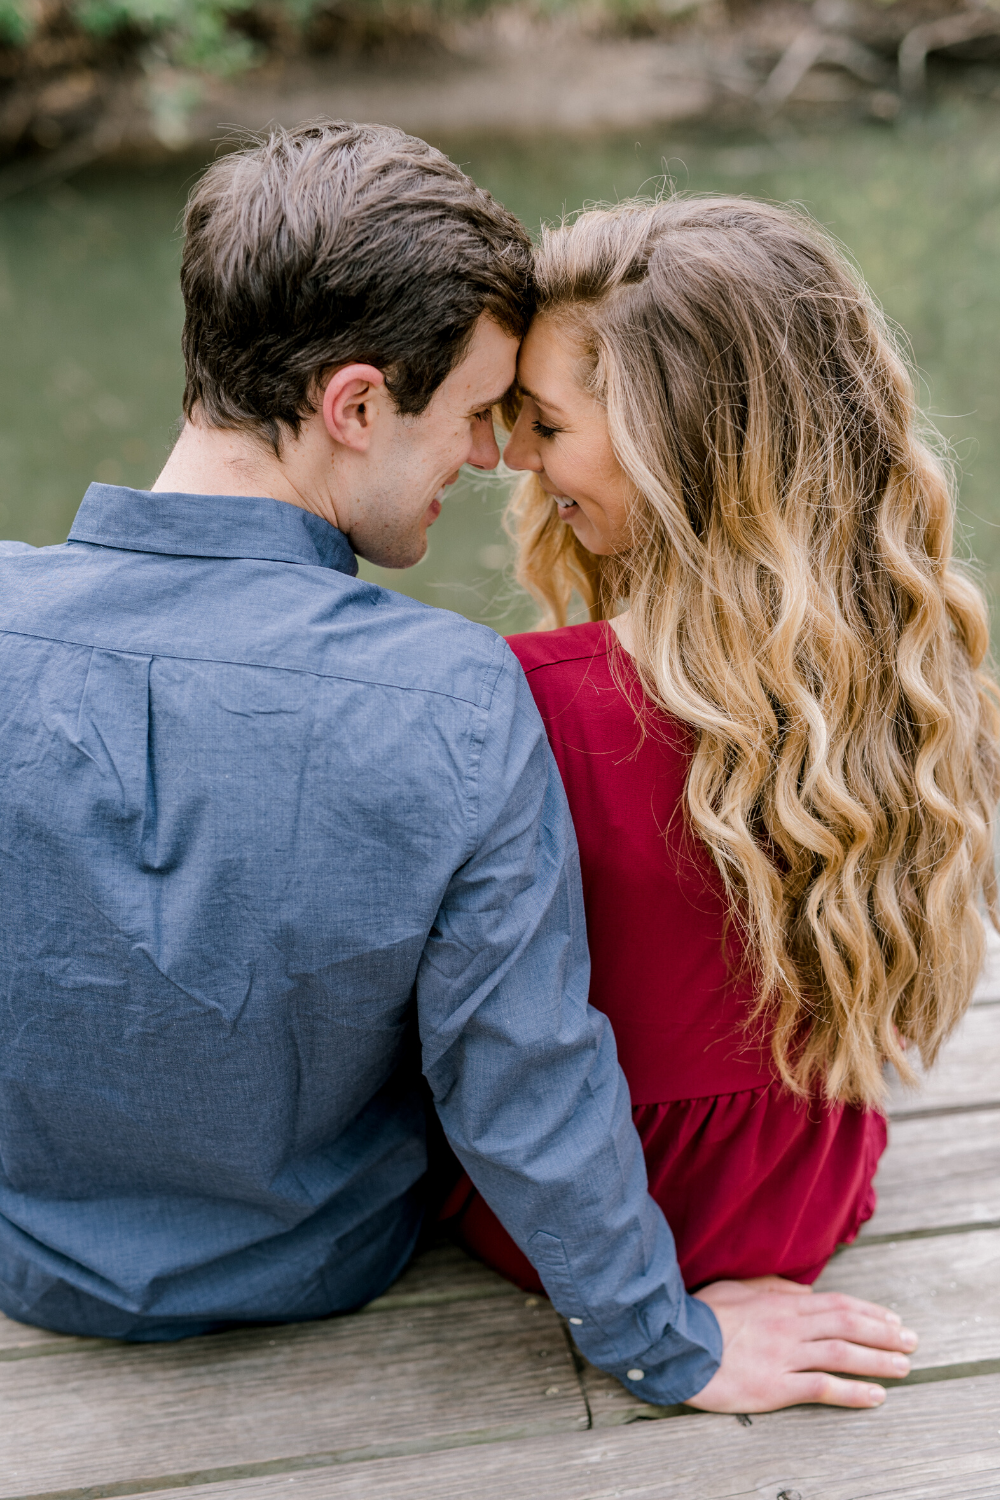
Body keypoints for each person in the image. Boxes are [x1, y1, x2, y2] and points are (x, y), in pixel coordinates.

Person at [0, 130, 915, 1415]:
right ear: (358, 405)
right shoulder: (451, 694)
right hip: (324, 1257)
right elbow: (521, 1070)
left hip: (31, 1267)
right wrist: (668, 1346)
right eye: (479, 413)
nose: (494, 460)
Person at [448, 195, 1000, 1384]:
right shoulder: (910, 669)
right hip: (803, 1200)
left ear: (669, 441)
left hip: (589, 1220)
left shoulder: (523, 702)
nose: (523, 460)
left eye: (546, 423)